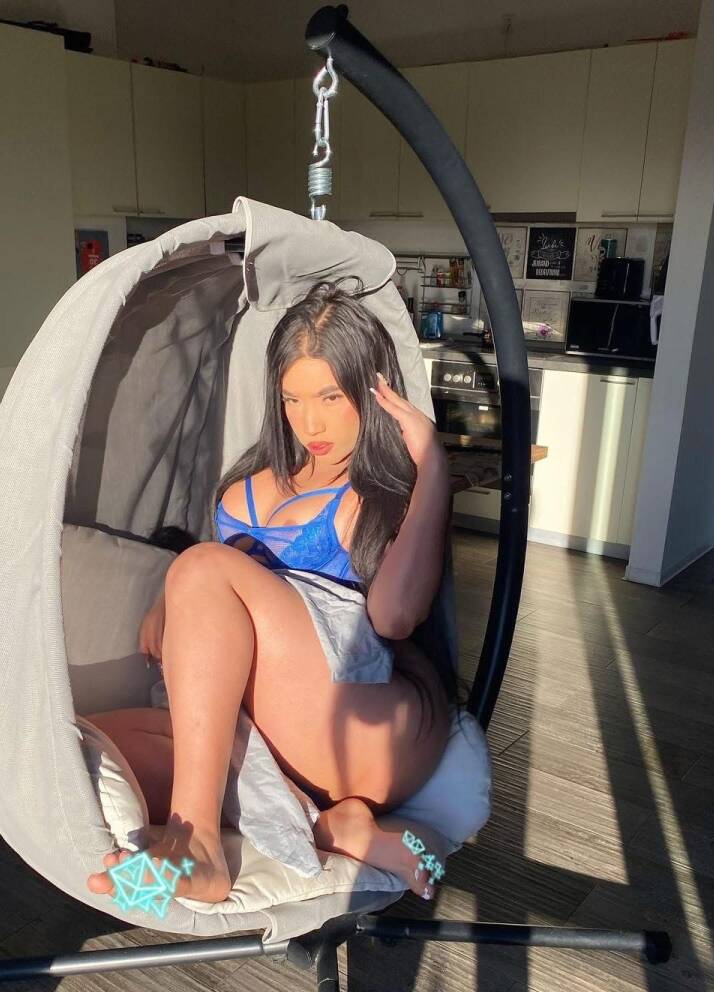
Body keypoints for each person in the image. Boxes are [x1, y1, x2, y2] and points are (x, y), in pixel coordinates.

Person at [85, 280, 458, 905]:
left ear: (373, 392)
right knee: (91, 744)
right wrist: (174, 595)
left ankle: (198, 847)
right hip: (273, 734)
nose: (311, 423)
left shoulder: (380, 492)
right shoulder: (249, 483)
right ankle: (332, 826)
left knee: (203, 566)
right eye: (292, 399)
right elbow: (223, 598)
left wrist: (434, 467)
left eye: (331, 396)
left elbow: (395, 617)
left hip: (367, 721)